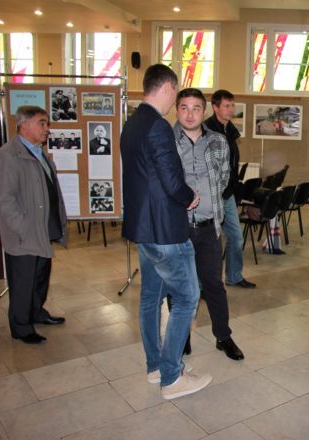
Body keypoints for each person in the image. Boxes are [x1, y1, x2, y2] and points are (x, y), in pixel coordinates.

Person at [120, 64, 211, 400]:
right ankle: (172, 376)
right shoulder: (157, 125)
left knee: (150, 298)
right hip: (165, 231)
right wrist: (190, 197)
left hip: (143, 228)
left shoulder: (132, 122)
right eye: (176, 94)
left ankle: (156, 366)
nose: (176, 102)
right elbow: (171, 180)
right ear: (169, 88)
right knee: (187, 297)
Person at [174, 88, 245, 361]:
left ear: (204, 111)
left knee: (214, 284)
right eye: (184, 107)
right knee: (180, 287)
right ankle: (182, 336)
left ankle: (223, 336)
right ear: (177, 110)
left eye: (196, 108)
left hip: (208, 226)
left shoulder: (218, 141)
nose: (190, 114)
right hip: (178, 229)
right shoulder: (167, 142)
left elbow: (224, 177)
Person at [0, 106, 68, 344]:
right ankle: (21, 327)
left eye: (47, 123)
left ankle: (36, 312)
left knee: (40, 278)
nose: (47, 129)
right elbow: (2, 199)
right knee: (23, 282)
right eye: (42, 123)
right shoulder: (8, 155)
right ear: (24, 125)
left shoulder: (38, 152)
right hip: (23, 234)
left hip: (42, 230)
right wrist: (23, 227)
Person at [204, 89, 256, 289]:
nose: (231, 109)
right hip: (211, 195)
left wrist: (235, 189)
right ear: (215, 107)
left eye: (232, 105)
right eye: (226, 106)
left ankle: (233, 276)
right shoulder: (207, 130)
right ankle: (206, 284)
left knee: (236, 237)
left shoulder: (230, 130)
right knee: (210, 243)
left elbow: (232, 165)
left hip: (228, 193)